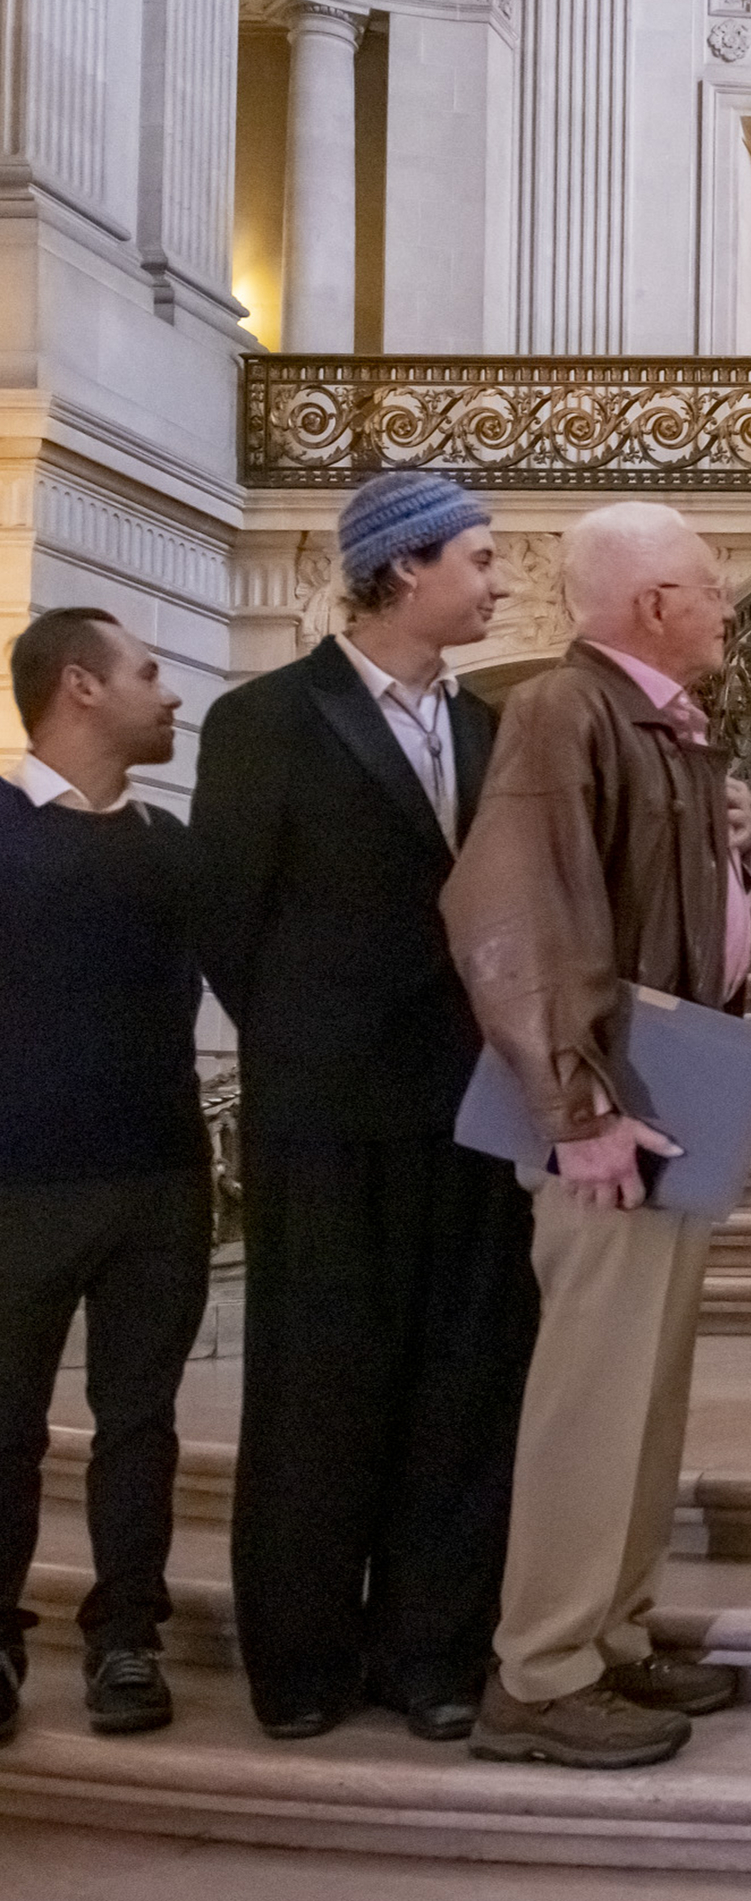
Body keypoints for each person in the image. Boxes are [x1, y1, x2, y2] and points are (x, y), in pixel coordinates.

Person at [190, 473, 539, 1744]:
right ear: (404, 570)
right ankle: (303, 1660)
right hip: (327, 1112)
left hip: (475, 1112)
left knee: (462, 1383)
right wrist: (312, 1046)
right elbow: (230, 916)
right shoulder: (265, 719)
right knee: (317, 1386)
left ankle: (431, 1650)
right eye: (483, 558)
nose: (500, 580)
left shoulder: (496, 728)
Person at [441, 502, 751, 1769]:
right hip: (605, 1114)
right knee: (588, 1400)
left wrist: (742, 856)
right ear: (651, 608)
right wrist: (576, 1111)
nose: (727, 601)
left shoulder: (665, 728)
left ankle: (617, 1635)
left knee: (647, 1392)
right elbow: (517, 917)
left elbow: (652, 904)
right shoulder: (562, 714)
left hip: (668, 1092)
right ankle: (543, 1666)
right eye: (708, 583)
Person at [0, 611, 207, 1742]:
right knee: (2, 1425)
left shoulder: (175, 848)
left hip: (162, 1179)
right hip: (12, 1183)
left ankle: (126, 1637)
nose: (168, 693)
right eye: (147, 671)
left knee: (142, 1421)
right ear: (79, 686)